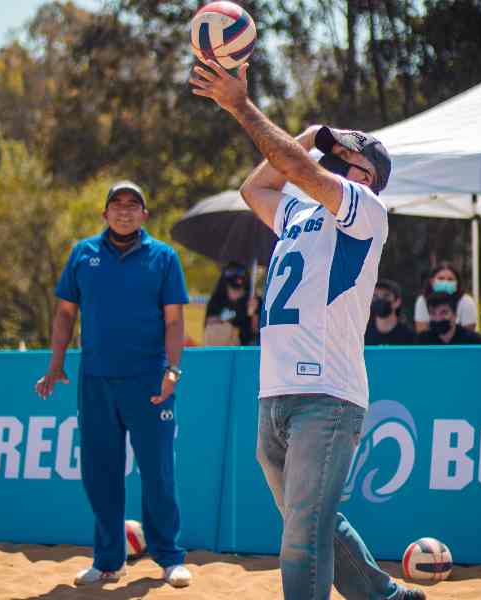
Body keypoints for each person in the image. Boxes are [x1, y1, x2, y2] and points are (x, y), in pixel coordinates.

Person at [191, 60, 424, 599]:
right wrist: (314, 133)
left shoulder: (366, 209)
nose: (337, 165)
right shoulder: (297, 208)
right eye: (334, 159)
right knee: (313, 522)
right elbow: (257, 186)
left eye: (350, 161)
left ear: (370, 179)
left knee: (301, 535)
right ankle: (387, 597)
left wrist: (241, 106)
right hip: (275, 390)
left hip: (328, 394)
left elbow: (296, 167)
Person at [34, 180, 192, 588]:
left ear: (144, 214)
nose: (124, 210)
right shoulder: (82, 254)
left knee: (158, 471)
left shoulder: (164, 257)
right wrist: (55, 363)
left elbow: (175, 321)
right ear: (105, 214)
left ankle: (169, 557)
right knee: (99, 472)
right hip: (96, 379)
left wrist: (173, 370)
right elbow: (66, 314)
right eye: (116, 204)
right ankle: (108, 561)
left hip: (148, 380)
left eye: (133, 204)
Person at [203, 261, 258, 345]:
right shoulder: (216, 300)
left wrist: (254, 314)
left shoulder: (254, 300)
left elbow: (257, 330)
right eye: (231, 272)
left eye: (240, 272)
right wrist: (225, 319)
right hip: (219, 349)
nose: (236, 276)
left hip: (245, 349)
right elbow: (209, 323)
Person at [414, 262, 477, 333]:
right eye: (441, 278)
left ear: (457, 283)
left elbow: (468, 336)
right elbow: (422, 332)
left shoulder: (466, 302)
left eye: (450, 279)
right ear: (432, 281)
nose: (445, 282)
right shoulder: (422, 301)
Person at [416, 293, 481, 345]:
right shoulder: (421, 341)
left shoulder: (474, 341)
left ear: (455, 315)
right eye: (433, 313)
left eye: (444, 313)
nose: (438, 318)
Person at [365, 279, 415, 345]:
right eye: (375, 296)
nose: (380, 299)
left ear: (397, 302)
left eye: (386, 296)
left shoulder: (408, 335)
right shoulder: (363, 333)